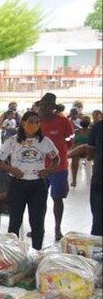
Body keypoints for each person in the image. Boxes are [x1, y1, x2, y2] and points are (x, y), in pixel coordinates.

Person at [0, 111, 60, 250]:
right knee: (15, 221)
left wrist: (48, 170)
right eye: (31, 121)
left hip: (38, 185)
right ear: (23, 123)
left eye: (37, 122)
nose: (34, 125)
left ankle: (37, 252)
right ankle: (14, 252)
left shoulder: (44, 142)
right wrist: (11, 169)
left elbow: (56, 159)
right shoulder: (12, 141)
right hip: (17, 184)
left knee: (37, 222)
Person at [39, 93, 74, 241]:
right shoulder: (36, 121)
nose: (43, 107)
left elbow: (70, 140)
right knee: (39, 199)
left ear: (53, 107)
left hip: (59, 167)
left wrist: (61, 152)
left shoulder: (63, 121)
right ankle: (38, 227)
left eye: (46, 105)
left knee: (57, 198)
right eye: (41, 105)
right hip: (39, 167)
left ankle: (57, 228)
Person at [67, 117, 102, 235]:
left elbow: (90, 153)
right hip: (99, 178)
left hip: (100, 178)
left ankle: (97, 244)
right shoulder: (95, 127)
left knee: (98, 220)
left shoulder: (98, 127)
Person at [70, 116, 91, 187]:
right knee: (75, 158)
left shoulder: (91, 131)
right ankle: (74, 180)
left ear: (89, 122)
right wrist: (74, 147)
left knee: (78, 152)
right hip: (78, 150)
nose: (84, 121)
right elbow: (74, 143)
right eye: (83, 120)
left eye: (86, 120)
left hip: (87, 150)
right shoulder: (77, 131)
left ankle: (67, 156)